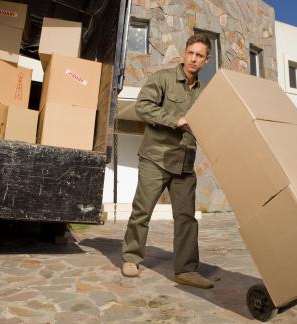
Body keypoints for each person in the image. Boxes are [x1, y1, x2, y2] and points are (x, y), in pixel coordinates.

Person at [121, 34, 213, 289]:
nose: (194, 59)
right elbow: (143, 107)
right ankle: (131, 257)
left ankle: (186, 270)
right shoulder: (162, 79)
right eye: (191, 53)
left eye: (200, 55)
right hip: (156, 157)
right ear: (185, 53)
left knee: (186, 218)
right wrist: (176, 120)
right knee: (143, 211)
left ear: (207, 60)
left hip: (184, 163)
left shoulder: (205, 93)